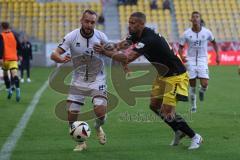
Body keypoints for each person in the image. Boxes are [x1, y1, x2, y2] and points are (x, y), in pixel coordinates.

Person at [94, 12, 203, 150]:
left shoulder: (148, 39)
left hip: (175, 74)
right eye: (129, 22)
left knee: (167, 111)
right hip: (162, 74)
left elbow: (126, 57)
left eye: (133, 23)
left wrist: (104, 52)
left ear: (141, 24)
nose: (130, 25)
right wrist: (105, 47)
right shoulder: (135, 35)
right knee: (154, 105)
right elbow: (119, 46)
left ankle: (195, 137)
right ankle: (178, 130)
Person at [51, 9, 109, 152]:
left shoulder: (101, 36)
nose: (89, 24)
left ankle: (97, 126)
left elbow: (114, 52)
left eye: (92, 22)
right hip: (78, 80)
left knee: (100, 112)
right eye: (87, 21)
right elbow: (55, 54)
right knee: (71, 115)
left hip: (98, 79)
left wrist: (105, 50)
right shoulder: (72, 36)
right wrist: (60, 59)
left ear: (95, 23)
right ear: (81, 21)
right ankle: (81, 142)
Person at [178, 11, 220, 112]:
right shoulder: (186, 34)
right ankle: (193, 106)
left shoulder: (207, 32)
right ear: (191, 20)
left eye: (197, 17)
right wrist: (182, 56)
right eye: (194, 17)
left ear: (200, 19)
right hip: (190, 60)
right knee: (192, 85)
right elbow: (180, 47)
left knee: (205, 84)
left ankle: (202, 90)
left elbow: (214, 43)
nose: (196, 18)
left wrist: (218, 55)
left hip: (202, 60)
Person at [0, 22, 22, 102]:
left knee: (5, 74)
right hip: (13, 58)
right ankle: (18, 90)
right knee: (14, 74)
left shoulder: (1, 36)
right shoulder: (14, 35)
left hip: (5, 59)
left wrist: (0, 58)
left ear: (2, 27)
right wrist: (19, 54)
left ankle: (9, 89)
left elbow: (1, 47)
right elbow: (19, 46)